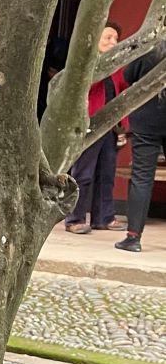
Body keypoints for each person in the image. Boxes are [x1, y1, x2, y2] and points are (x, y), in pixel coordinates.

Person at [66, 21, 126, 234]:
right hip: (89, 125)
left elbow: (122, 94)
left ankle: (104, 218)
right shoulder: (86, 63)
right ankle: (75, 219)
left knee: (107, 174)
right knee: (83, 174)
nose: (113, 42)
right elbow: (81, 89)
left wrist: (123, 128)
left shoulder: (117, 65)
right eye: (108, 37)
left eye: (116, 39)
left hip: (110, 128)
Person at [118, 40, 166, 251]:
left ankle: (133, 237)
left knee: (142, 178)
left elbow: (128, 75)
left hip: (147, 118)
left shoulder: (150, 47)